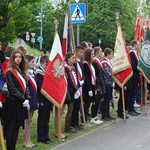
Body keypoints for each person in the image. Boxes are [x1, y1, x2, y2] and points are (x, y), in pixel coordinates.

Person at [4, 49, 30, 150]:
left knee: (17, 127)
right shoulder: (10, 71)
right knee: (11, 127)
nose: (18, 59)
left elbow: (26, 86)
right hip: (13, 102)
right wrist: (23, 99)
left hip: (21, 103)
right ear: (13, 58)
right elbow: (12, 88)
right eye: (16, 57)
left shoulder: (22, 71)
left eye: (20, 57)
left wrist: (27, 98)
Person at [35, 55, 53, 144]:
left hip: (48, 98)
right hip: (42, 98)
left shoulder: (46, 73)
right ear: (41, 63)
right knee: (42, 118)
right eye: (46, 64)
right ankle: (40, 136)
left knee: (47, 118)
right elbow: (40, 86)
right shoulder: (39, 74)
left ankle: (46, 135)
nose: (47, 66)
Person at [0, 46, 15, 138]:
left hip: (4, 92)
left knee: (5, 116)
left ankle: (4, 134)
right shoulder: (6, 63)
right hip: (3, 94)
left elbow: (1, 77)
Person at [64, 52, 81, 133]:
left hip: (74, 89)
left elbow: (75, 78)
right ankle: (67, 128)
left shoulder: (73, 67)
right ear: (68, 59)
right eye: (72, 57)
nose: (74, 59)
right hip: (70, 91)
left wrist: (78, 86)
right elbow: (69, 81)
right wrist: (75, 90)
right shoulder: (66, 68)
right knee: (70, 109)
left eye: (74, 57)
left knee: (73, 109)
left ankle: (69, 126)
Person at [23, 54, 38, 147]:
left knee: (30, 119)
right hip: (28, 98)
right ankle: (25, 141)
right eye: (32, 62)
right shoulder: (24, 73)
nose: (34, 64)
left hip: (33, 97)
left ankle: (29, 140)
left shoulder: (32, 72)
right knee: (27, 120)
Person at [71, 45, 84, 130]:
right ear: (76, 52)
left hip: (80, 85)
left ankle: (76, 122)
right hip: (75, 87)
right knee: (75, 107)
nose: (82, 53)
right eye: (80, 52)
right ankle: (73, 123)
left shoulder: (80, 61)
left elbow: (82, 73)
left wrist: (83, 80)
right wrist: (78, 84)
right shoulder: (74, 63)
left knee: (78, 104)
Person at [91, 47, 105, 124]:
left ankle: (95, 116)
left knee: (98, 101)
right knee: (95, 101)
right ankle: (93, 117)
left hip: (100, 83)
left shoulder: (98, 61)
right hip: (97, 84)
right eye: (100, 51)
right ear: (96, 53)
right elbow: (95, 75)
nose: (101, 53)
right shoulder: (94, 62)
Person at [101, 48, 116, 121]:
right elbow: (108, 73)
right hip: (106, 83)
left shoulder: (108, 62)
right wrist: (115, 75)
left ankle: (108, 114)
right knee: (106, 100)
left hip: (110, 83)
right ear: (108, 54)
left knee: (108, 99)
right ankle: (104, 115)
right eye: (111, 54)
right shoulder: (104, 62)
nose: (112, 55)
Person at [82, 48, 96, 127]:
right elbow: (87, 77)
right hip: (87, 87)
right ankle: (84, 120)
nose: (93, 55)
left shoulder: (91, 63)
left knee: (89, 103)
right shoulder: (85, 64)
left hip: (92, 85)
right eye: (92, 54)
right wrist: (89, 89)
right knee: (86, 105)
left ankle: (86, 119)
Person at [128, 40, 141, 116]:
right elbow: (133, 65)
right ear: (135, 45)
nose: (139, 46)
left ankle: (132, 107)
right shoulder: (132, 53)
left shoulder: (135, 53)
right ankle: (130, 109)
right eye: (138, 44)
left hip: (135, 75)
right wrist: (139, 68)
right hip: (133, 76)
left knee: (134, 92)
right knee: (132, 92)